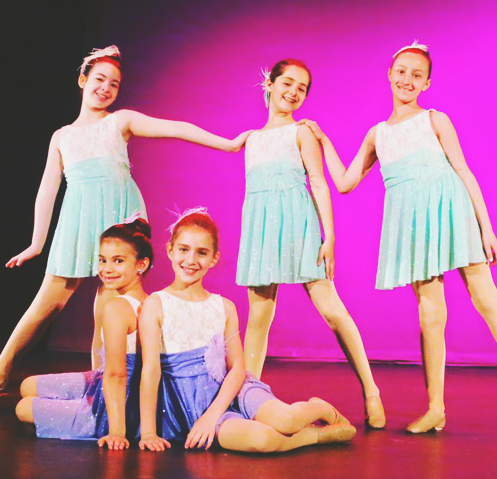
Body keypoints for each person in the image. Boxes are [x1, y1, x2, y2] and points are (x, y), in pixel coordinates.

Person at [1, 45, 250, 388]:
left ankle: (103, 381)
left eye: (114, 84)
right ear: (83, 80)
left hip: (118, 215)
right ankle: (3, 363)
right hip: (78, 219)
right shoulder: (62, 136)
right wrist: (36, 243)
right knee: (49, 300)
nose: (105, 88)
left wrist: (228, 144)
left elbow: (176, 128)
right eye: (99, 79)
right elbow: (48, 189)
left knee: (110, 303)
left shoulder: (120, 121)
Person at [302, 41, 497, 433]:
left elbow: (464, 170)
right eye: (402, 71)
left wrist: (486, 226)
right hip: (414, 224)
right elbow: (344, 183)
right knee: (430, 313)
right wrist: (324, 142)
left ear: (427, 83)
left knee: (486, 299)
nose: (408, 79)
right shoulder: (377, 134)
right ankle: (436, 408)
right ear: (390, 74)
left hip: (452, 210)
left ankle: (436, 408)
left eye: (417, 75)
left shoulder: (435, 120)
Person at [237, 59, 385, 428]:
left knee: (333, 311)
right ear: (269, 84)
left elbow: (318, 182)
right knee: (258, 318)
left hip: (299, 226)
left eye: (301, 88)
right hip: (261, 231)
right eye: (287, 83)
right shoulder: (251, 139)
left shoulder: (301, 132)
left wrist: (329, 237)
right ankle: (249, 399)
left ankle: (371, 390)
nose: (293, 92)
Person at [138, 209, 356, 453]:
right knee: (262, 440)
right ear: (170, 250)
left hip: (235, 390)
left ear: (214, 258)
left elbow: (237, 368)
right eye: (184, 249)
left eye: (202, 253)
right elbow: (151, 370)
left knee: (287, 420)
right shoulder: (156, 304)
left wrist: (212, 416)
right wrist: (148, 432)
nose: (191, 260)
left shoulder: (224, 307)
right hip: (190, 403)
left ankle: (320, 407)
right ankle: (315, 435)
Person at [15, 218, 153, 448]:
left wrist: (117, 431)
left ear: (142, 264)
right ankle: (81, 399)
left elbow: (117, 375)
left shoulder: (118, 307)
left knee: (23, 408)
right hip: (105, 382)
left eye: (118, 261)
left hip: (117, 401)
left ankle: (84, 410)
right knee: (28, 385)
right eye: (103, 260)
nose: (107, 269)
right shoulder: (145, 300)